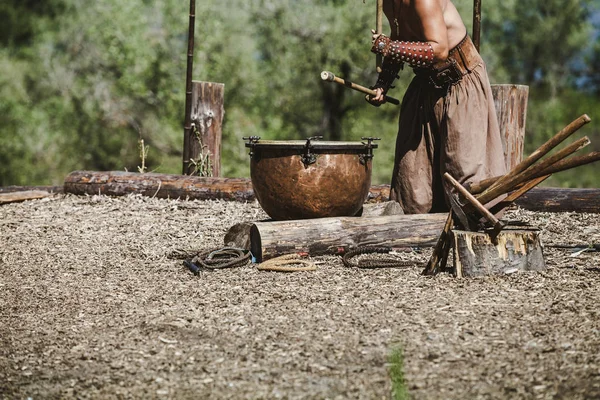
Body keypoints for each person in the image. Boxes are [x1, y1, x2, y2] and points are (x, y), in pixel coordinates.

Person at [368, 0, 506, 214]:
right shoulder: (388, 3)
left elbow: (439, 50)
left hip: (461, 83)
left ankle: (476, 235)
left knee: (464, 177)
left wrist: (390, 47)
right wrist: (383, 83)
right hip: (426, 85)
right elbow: (401, 38)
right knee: (413, 185)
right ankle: (416, 238)